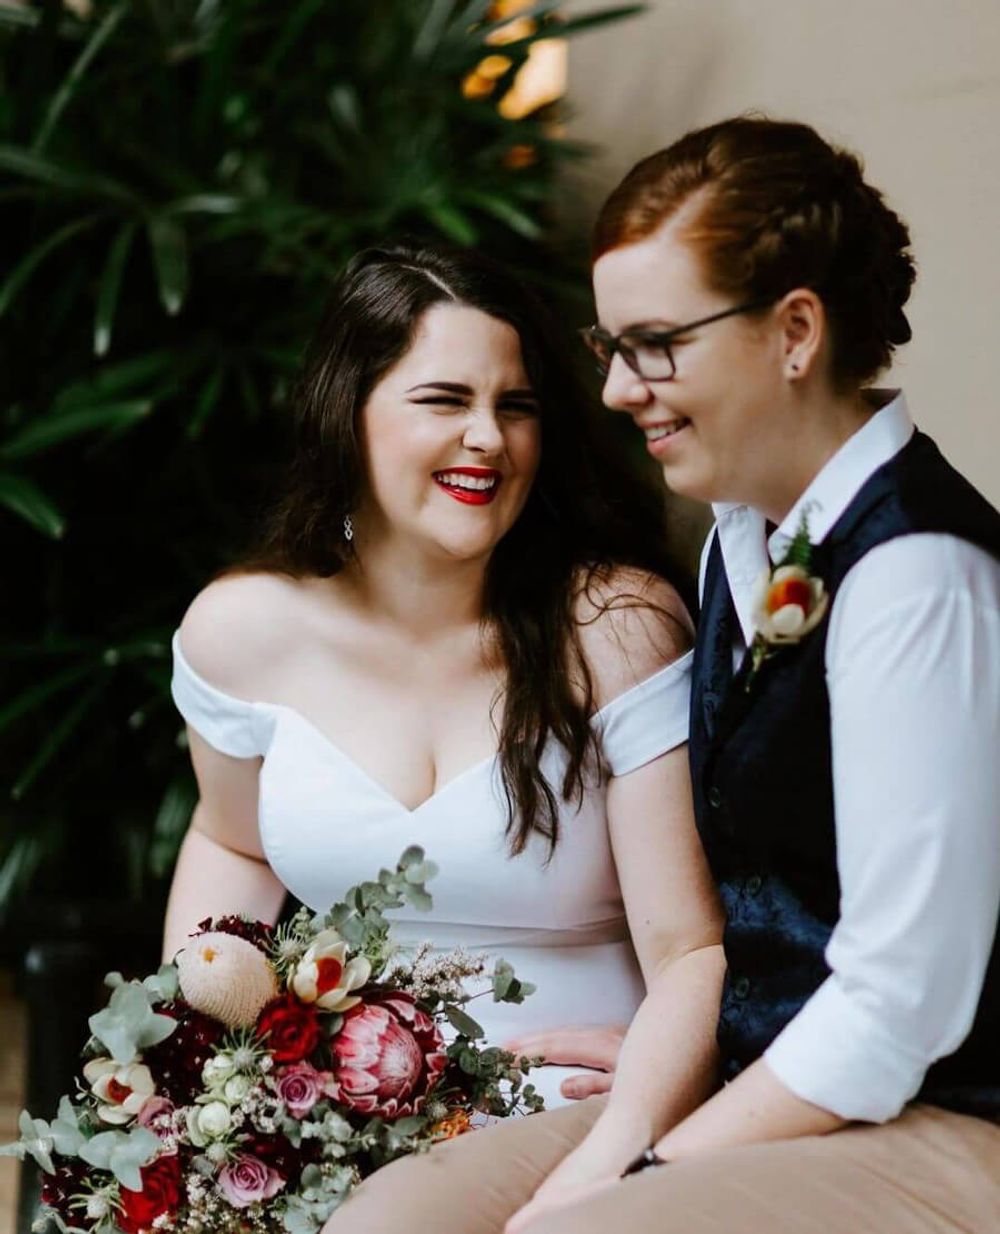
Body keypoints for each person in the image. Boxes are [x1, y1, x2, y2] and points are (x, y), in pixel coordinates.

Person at [326, 119, 1000, 1234]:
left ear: (793, 332)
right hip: (772, 1078)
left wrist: (646, 1163)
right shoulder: (741, 540)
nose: (613, 390)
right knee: (391, 1223)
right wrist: (670, 1062)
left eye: (654, 344)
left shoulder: (916, 575)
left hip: (938, 1115)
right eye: (611, 346)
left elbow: (899, 1008)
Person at [162, 241, 725, 1115]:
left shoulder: (614, 626)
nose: (489, 438)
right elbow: (233, 845)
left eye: (516, 406)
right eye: (445, 400)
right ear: (347, 412)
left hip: (576, 1109)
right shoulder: (242, 631)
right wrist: (197, 1088)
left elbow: (691, 946)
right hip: (328, 1121)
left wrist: (659, 1076)